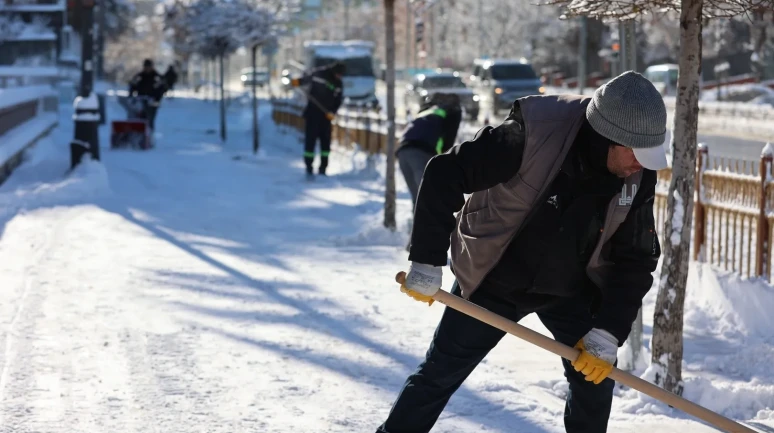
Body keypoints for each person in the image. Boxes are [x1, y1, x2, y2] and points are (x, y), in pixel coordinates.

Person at [377, 71, 668, 433]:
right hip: (496, 276)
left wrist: (608, 331)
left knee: (594, 383)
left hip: (572, 288)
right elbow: (443, 173)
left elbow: (636, 258)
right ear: (609, 137)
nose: (642, 164)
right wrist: (427, 259)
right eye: (636, 153)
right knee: (439, 374)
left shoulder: (638, 174)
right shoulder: (534, 133)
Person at [397, 93, 463, 210]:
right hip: (420, 153)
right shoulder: (452, 113)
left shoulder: (426, 111)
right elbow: (448, 140)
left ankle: (417, 226)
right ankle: (430, 227)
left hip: (402, 151)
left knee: (417, 197)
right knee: (427, 197)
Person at [290, 61, 345, 179]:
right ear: (334, 72)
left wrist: (333, 112)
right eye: (338, 74)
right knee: (310, 141)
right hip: (312, 114)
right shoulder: (319, 74)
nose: (339, 77)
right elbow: (306, 79)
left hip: (326, 117)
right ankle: (309, 167)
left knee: (326, 143)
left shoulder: (338, 83)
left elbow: (339, 100)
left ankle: (323, 168)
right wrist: (297, 82)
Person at [128, 59, 166, 131]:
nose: (147, 68)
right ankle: (139, 133)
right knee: (137, 118)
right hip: (140, 100)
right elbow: (132, 86)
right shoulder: (139, 76)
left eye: (149, 66)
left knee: (150, 119)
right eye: (146, 66)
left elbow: (162, 88)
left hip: (152, 102)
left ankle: (150, 134)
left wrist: (157, 99)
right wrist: (131, 96)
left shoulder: (157, 77)